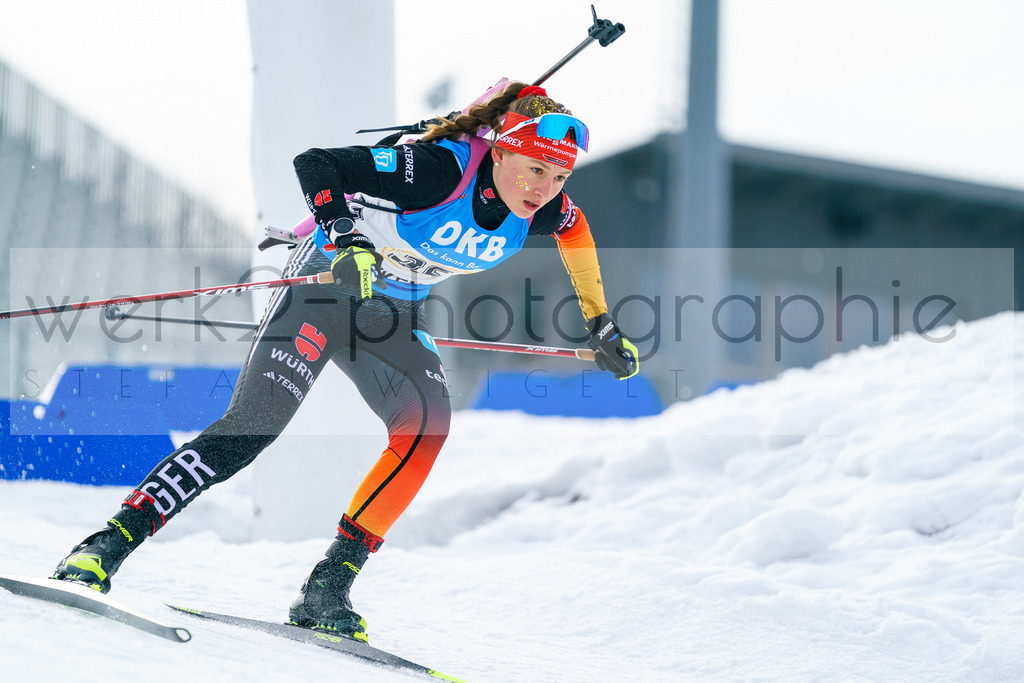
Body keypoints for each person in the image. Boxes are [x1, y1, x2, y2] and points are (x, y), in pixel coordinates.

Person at [51, 80, 639, 643]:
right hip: (325, 293)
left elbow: (576, 229)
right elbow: (317, 163)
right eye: (535, 169)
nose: (544, 187)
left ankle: (327, 588)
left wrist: (600, 321)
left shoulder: (543, 205)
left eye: (559, 174)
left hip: (393, 319)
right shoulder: (437, 172)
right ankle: (107, 544)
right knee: (252, 429)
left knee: (426, 429)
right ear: (503, 151)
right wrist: (347, 237)